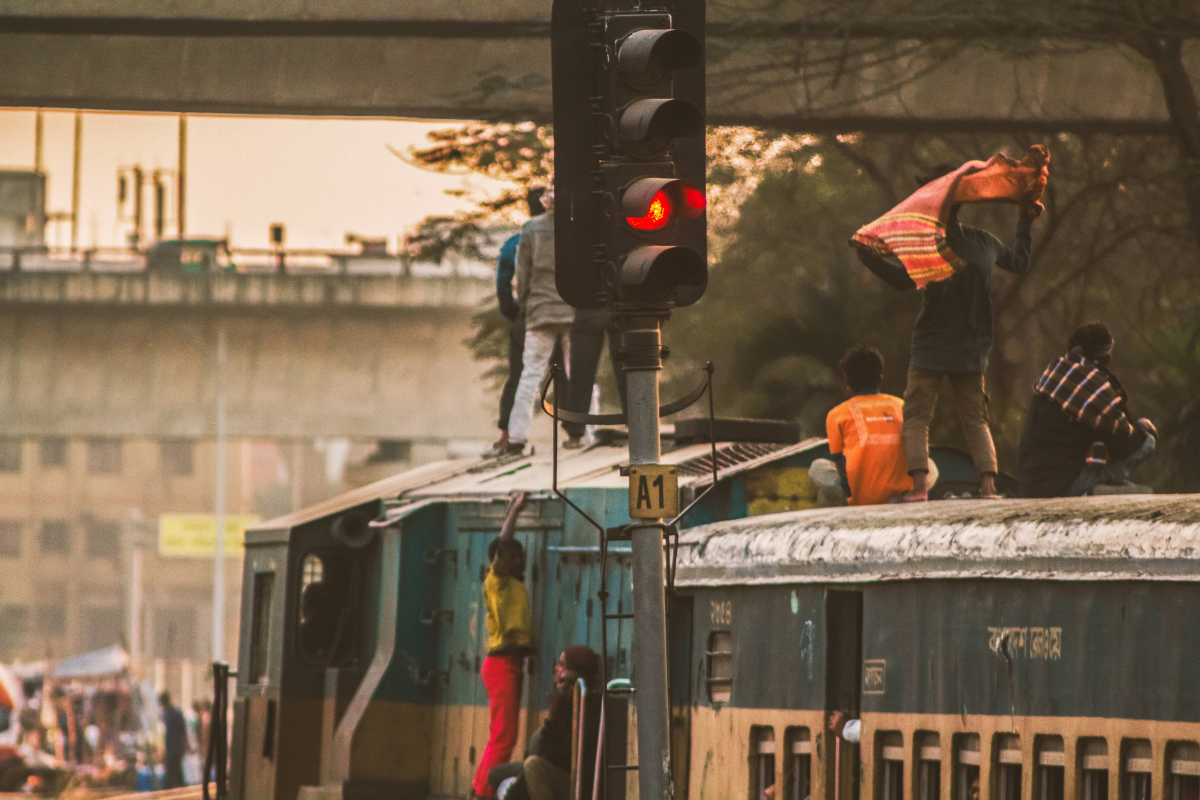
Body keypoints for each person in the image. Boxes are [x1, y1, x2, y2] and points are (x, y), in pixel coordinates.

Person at [856, 164, 1039, 501]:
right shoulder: (984, 243)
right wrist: (1025, 221)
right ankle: (988, 487)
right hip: (972, 348)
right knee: (975, 418)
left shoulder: (927, 244)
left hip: (930, 348)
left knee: (916, 416)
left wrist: (867, 257)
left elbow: (900, 281)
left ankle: (920, 488)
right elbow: (1019, 262)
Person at [1017, 322, 1156, 497]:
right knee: (1147, 442)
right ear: (1106, 357)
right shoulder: (1097, 389)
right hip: (1063, 487)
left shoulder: (1052, 373)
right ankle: (1094, 488)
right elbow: (1123, 444)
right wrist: (1140, 428)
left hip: (1029, 486)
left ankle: (1103, 487)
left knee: (1090, 442)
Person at [809, 345, 934, 506]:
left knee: (817, 467)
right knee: (931, 466)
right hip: (901, 491)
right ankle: (906, 496)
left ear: (847, 380)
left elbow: (840, 465)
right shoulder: (901, 406)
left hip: (860, 493)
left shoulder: (836, 414)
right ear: (880, 378)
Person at [473, 492, 535, 800]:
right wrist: (515, 511)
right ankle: (484, 793)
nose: (518, 559)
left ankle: (479, 790)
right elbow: (502, 543)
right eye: (512, 556)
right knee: (503, 737)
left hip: (510, 664)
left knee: (503, 736)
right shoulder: (496, 581)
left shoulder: (515, 586)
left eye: (520, 555)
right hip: (501, 665)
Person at [505, 189, 574, 454]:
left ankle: (517, 437)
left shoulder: (531, 229)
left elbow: (522, 274)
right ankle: (586, 433)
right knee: (577, 374)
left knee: (531, 374)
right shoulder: (575, 229)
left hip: (539, 310)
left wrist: (525, 303)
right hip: (571, 309)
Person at [488, 646, 602, 800]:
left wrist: (553, 717)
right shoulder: (566, 706)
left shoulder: (588, 713)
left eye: (562, 665)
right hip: (555, 771)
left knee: (532, 766)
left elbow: (554, 757)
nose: (557, 671)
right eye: (561, 681)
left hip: (575, 782)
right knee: (500, 773)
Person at [489, 188, 553, 457]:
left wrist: (513, 312)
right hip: (563, 311)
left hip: (527, 315)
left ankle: (507, 437)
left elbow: (504, 284)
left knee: (519, 375)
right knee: (574, 372)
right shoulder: (565, 236)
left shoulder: (516, 241)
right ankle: (583, 433)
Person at [562, 309, 627, 450]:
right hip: (622, 305)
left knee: (580, 376)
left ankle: (575, 435)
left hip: (588, 305)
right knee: (629, 372)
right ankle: (638, 426)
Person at [159, 692, 187, 789]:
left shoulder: (175, 713)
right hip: (171, 746)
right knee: (175, 769)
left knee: (173, 769)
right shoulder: (166, 714)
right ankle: (178, 787)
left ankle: (170, 787)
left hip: (176, 747)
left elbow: (183, 730)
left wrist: (185, 745)